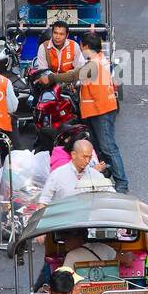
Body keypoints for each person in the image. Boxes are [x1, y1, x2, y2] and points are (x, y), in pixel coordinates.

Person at [78, 35, 127, 192]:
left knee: (108, 148)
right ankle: (105, 176)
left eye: (82, 46)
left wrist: (51, 78)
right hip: (99, 109)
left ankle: (122, 184)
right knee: (100, 147)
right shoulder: (101, 59)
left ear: (85, 47)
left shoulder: (93, 64)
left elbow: (74, 75)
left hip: (101, 110)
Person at [37, 138, 111, 206]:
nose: (87, 161)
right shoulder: (57, 175)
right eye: (84, 157)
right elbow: (44, 201)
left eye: (90, 157)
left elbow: (110, 194)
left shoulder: (96, 175)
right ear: (73, 155)